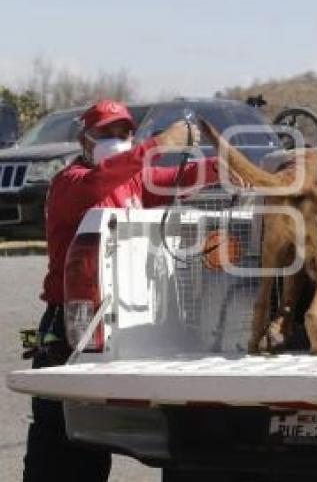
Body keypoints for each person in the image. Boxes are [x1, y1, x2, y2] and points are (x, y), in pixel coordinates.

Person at [23, 99, 222, 482]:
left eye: (124, 133)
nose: (116, 140)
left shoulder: (132, 179)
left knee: (94, 439)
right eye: (105, 133)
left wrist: (225, 166)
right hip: (70, 327)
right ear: (84, 139)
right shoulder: (71, 182)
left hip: (122, 324)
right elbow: (100, 182)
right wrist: (160, 143)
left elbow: (173, 178)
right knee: (62, 447)